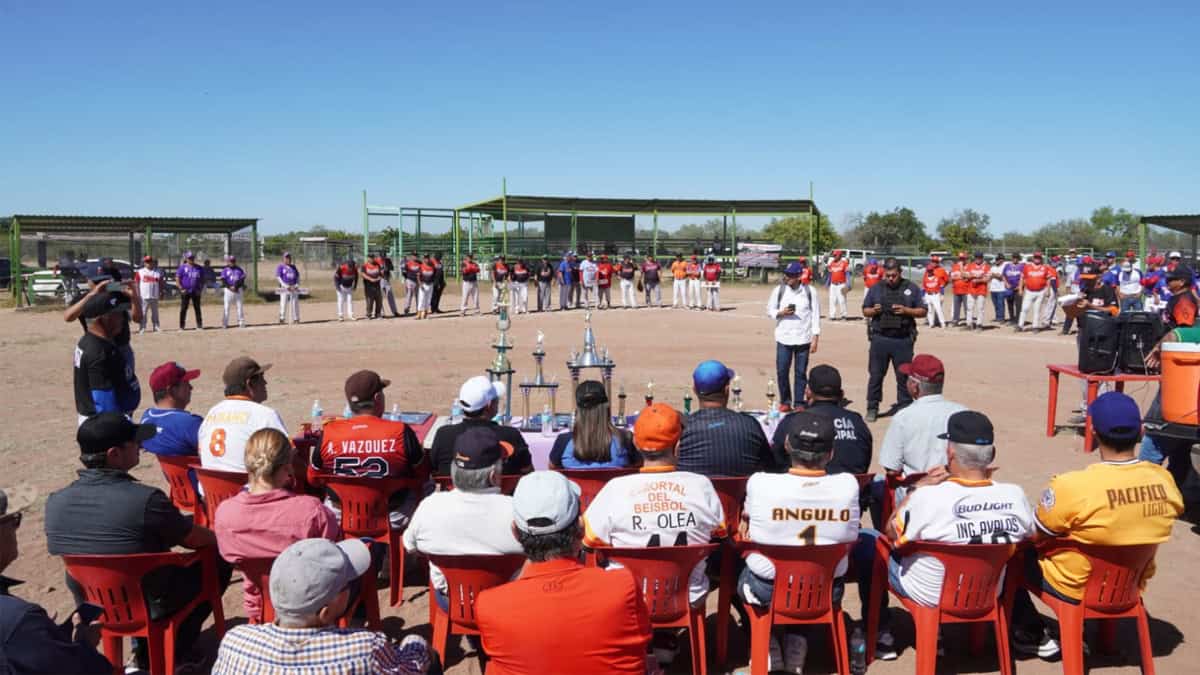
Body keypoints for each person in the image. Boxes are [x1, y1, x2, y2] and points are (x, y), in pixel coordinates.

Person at [46, 414, 232, 671]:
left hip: (95, 602)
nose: (140, 447)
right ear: (114, 454)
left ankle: (142, 653)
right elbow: (193, 539)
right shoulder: (146, 500)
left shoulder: (55, 503)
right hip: (149, 600)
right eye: (134, 442)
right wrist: (219, 537)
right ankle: (178, 650)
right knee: (218, 559)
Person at [1010, 393, 1183, 658]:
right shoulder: (1164, 481)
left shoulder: (1073, 486)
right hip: (1130, 583)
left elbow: (1035, 534)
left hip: (1077, 585)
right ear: (1141, 431)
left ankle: (1029, 632)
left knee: (1013, 555)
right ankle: (1102, 636)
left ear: (1093, 431)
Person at [583, 403, 725, 667]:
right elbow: (721, 532)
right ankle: (664, 638)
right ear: (678, 445)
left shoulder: (616, 489)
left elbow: (589, 541)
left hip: (628, 598)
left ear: (636, 446)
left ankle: (642, 645)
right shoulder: (701, 486)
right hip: (686, 594)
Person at [475, 472, 651, 675]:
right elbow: (644, 640)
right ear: (581, 527)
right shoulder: (621, 587)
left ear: (515, 532)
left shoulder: (491, 606)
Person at [740, 411, 864, 674]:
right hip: (826, 589)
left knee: (740, 561)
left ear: (786, 446)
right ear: (830, 453)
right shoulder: (848, 485)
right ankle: (797, 641)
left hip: (767, 589)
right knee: (810, 563)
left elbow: (747, 522)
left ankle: (768, 642)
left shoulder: (761, 483)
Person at [876, 411, 1035, 610]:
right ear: (992, 455)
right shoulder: (1015, 495)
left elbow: (891, 532)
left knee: (875, 546)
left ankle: (880, 629)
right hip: (988, 591)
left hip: (931, 594)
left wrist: (916, 488)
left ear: (950, 452)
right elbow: (1031, 537)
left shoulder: (927, 497)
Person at [212, 538, 431, 674]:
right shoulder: (365, 648)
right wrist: (416, 641)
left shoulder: (235, 642)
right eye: (346, 584)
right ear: (325, 612)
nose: (350, 587)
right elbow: (412, 668)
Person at [214, 428, 341, 621]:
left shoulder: (225, 514)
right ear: (288, 466)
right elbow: (332, 553)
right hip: (309, 607)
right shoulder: (311, 511)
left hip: (260, 605)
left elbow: (231, 558)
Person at [403, 426, 523, 608]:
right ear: (493, 476)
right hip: (507, 603)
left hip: (452, 600)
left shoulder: (430, 506)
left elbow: (410, 545)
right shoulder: (517, 510)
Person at [0, 486, 112, 673]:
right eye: (13, 521)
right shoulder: (19, 619)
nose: (15, 529)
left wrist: (43, 635)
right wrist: (84, 645)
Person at [309, 370, 426, 527]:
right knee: (427, 485)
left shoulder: (329, 432)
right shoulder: (400, 431)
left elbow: (313, 478)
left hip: (341, 516)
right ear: (378, 398)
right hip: (392, 516)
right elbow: (423, 474)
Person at [677, 360, 780, 476]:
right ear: (727, 389)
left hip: (695, 492)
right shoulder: (749, 424)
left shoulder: (684, 428)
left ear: (694, 390)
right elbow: (771, 468)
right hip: (739, 493)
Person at [878, 354, 966, 480]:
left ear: (915, 386)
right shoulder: (962, 412)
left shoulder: (903, 417)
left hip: (916, 490)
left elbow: (891, 469)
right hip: (955, 488)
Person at [771, 364, 872, 475]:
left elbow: (776, 461)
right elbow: (865, 461)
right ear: (841, 394)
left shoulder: (792, 421)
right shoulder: (857, 422)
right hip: (852, 489)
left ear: (808, 392)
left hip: (803, 487)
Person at [862, 257, 926, 422]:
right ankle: (872, 407)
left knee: (903, 376)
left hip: (902, 340)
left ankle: (904, 406)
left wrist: (906, 310)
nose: (890, 278)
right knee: (876, 375)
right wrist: (873, 311)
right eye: (887, 275)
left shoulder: (911, 288)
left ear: (900, 272)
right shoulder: (876, 288)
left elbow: (922, 311)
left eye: (894, 275)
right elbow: (865, 310)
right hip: (880, 339)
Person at [198, 356, 288, 474]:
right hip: (248, 489)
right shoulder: (265, 415)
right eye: (261, 378)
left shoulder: (212, 412)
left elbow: (200, 453)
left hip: (211, 490)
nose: (265, 383)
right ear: (249, 384)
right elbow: (288, 455)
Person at [430, 376, 534, 476]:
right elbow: (528, 472)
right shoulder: (511, 435)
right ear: (489, 405)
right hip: (500, 493)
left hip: (454, 492)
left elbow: (433, 469)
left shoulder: (443, 435)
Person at [73, 290, 141, 423]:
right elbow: (103, 401)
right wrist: (118, 428)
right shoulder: (98, 352)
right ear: (103, 318)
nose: (123, 319)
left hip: (110, 418)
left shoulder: (95, 341)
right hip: (104, 424)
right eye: (118, 315)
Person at [766, 261, 821, 412]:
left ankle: (799, 402)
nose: (788, 277)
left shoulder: (810, 292)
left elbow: (815, 315)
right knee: (782, 370)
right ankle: (785, 401)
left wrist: (815, 337)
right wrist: (780, 313)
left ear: (799, 276)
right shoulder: (779, 290)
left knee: (801, 372)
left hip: (803, 338)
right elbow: (769, 310)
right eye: (786, 274)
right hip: (784, 338)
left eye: (791, 275)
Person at [549, 380, 637, 469]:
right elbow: (637, 466)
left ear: (578, 411)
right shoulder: (625, 439)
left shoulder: (563, 441)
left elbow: (553, 470)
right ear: (606, 409)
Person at [140, 361, 203, 458]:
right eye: (186, 383)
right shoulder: (191, 424)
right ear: (171, 391)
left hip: (170, 472)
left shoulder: (146, 418)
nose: (191, 387)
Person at [135, 255, 163, 332]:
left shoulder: (157, 272)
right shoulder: (140, 272)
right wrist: (137, 293)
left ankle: (156, 326)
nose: (149, 263)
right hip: (144, 295)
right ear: (144, 263)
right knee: (143, 312)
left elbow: (160, 283)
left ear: (153, 263)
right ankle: (142, 327)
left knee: (155, 312)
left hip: (154, 295)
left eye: (150, 262)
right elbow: (136, 283)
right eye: (147, 262)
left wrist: (161, 292)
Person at [177, 251, 204, 330]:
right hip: (185, 291)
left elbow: (202, 280)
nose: (191, 259)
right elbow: (177, 279)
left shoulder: (199, 268)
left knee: (197, 308)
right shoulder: (182, 268)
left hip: (196, 291)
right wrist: (181, 288)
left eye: (192, 258)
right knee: (183, 308)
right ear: (186, 258)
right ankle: (182, 326)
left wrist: (200, 289)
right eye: (189, 258)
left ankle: (199, 325)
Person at [219, 255, 247, 329]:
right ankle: (225, 323)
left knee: (239, 306)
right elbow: (223, 280)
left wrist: (236, 287)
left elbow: (242, 280)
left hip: (238, 290)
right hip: (228, 290)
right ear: (228, 262)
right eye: (230, 261)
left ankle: (241, 322)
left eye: (233, 261)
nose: (232, 262)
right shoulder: (225, 270)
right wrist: (229, 287)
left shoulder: (239, 269)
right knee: (227, 307)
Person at [965, 251, 990, 330]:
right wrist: (972, 276)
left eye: (979, 257)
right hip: (971, 289)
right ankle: (969, 324)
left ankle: (979, 324)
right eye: (976, 257)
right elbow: (965, 275)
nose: (978, 259)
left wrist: (978, 280)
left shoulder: (986, 266)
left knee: (980, 308)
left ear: (982, 258)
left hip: (981, 290)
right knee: (969, 308)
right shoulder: (970, 265)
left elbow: (987, 279)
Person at [276, 252, 301, 324]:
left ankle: (296, 318)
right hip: (284, 287)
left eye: (289, 258)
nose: (288, 259)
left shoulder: (294, 267)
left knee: (294, 303)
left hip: (294, 287)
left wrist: (296, 285)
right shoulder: (280, 266)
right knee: (283, 303)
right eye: (286, 258)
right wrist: (285, 286)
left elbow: (298, 277)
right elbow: (278, 277)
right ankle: (282, 318)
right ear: (283, 259)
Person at [921, 261, 947, 328]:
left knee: (938, 309)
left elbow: (941, 286)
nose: (929, 272)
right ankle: (931, 323)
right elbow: (923, 288)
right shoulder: (925, 278)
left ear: (933, 271)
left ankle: (942, 323)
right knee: (929, 310)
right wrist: (922, 296)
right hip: (928, 295)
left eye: (930, 270)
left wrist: (942, 295)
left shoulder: (937, 277)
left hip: (935, 295)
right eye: (928, 271)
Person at [827, 249, 851, 320]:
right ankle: (832, 316)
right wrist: (827, 283)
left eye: (835, 255)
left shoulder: (844, 263)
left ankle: (844, 315)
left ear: (840, 255)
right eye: (833, 255)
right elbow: (830, 275)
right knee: (832, 300)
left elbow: (847, 274)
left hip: (841, 284)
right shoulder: (832, 263)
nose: (834, 256)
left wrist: (848, 284)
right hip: (833, 284)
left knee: (842, 300)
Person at [1002, 252, 1024, 325]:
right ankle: (1012, 319)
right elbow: (1003, 275)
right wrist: (1006, 283)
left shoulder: (1022, 266)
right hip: (1009, 288)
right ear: (1012, 258)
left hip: (1018, 288)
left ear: (1018, 258)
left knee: (1018, 305)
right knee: (1010, 304)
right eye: (1014, 257)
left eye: (1016, 257)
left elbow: (1025, 277)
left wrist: (1020, 286)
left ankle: (1018, 320)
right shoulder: (1007, 265)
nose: (1015, 259)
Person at [334, 256, 358, 322]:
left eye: (352, 266)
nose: (351, 268)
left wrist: (355, 286)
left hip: (349, 287)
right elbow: (335, 278)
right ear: (347, 265)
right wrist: (337, 287)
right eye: (350, 266)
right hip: (341, 287)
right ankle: (340, 316)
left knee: (350, 301)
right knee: (341, 301)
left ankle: (351, 315)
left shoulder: (354, 269)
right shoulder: (341, 268)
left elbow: (356, 277)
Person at [949, 252, 970, 326]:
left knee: (967, 307)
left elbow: (967, 277)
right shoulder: (954, 266)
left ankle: (968, 321)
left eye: (963, 258)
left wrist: (961, 269)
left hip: (966, 290)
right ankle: (955, 320)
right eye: (960, 258)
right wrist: (961, 276)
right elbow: (951, 278)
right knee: (956, 307)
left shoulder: (969, 266)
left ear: (966, 259)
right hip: (956, 290)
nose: (961, 260)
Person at [361, 253, 383, 319]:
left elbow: (381, 273)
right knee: (369, 300)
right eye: (370, 257)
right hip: (368, 286)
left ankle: (378, 314)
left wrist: (378, 278)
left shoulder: (377, 265)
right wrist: (370, 279)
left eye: (372, 257)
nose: (371, 259)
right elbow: (362, 274)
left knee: (379, 300)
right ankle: (368, 314)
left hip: (377, 285)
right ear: (368, 258)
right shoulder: (365, 265)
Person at [379, 251, 402, 317]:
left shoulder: (388, 260)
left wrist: (387, 268)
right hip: (379, 279)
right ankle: (381, 313)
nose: (383, 257)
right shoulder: (377, 261)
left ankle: (394, 311)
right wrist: (380, 270)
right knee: (380, 297)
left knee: (390, 295)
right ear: (380, 256)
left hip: (386, 279)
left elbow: (392, 268)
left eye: (384, 256)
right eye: (382, 256)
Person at [988, 256, 1008, 322]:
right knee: (995, 304)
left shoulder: (1004, 267)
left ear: (1001, 260)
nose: (996, 261)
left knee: (1000, 304)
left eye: (998, 259)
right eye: (996, 260)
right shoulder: (993, 267)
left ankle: (1001, 318)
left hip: (1001, 289)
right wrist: (995, 275)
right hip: (993, 289)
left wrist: (994, 275)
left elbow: (1001, 277)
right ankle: (997, 317)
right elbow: (990, 276)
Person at [416, 253, 436, 319]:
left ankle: (425, 313)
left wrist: (433, 282)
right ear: (423, 259)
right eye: (425, 258)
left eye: (427, 258)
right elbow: (418, 276)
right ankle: (419, 314)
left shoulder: (432, 266)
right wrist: (420, 284)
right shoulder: (421, 266)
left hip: (430, 285)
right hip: (423, 284)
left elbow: (434, 275)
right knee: (421, 299)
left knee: (428, 300)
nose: (426, 259)